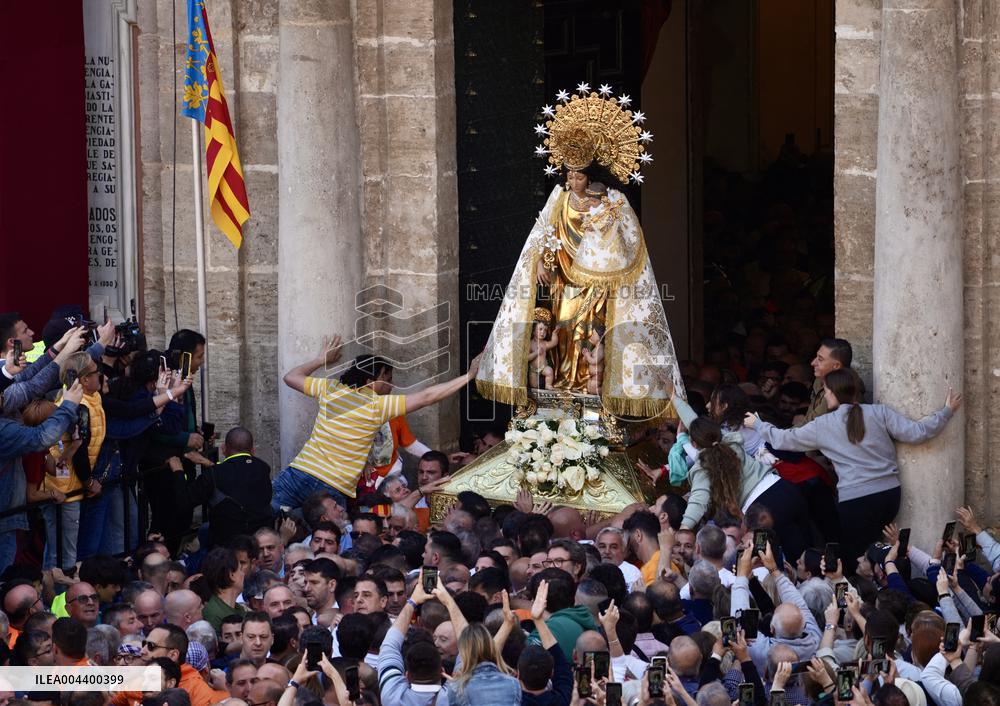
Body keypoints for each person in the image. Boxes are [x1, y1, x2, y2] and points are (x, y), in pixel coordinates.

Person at [475, 88, 684, 417]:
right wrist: (540, 262)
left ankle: (587, 385)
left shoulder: (611, 201)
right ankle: (562, 383)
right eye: (569, 174)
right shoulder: (559, 197)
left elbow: (628, 241)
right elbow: (542, 232)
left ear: (592, 175)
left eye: (579, 175)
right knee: (563, 329)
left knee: (589, 333)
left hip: (596, 284)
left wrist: (605, 232)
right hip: (563, 279)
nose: (573, 181)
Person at [747, 368, 962, 569]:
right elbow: (918, 432)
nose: (825, 395)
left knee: (855, 559)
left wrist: (758, 424)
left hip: (857, 501)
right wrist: (946, 412)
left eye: (826, 391)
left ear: (833, 392)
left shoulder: (824, 424)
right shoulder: (879, 412)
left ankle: (866, 594)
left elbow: (784, 439)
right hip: (890, 496)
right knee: (878, 552)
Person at [271, 334, 481, 512]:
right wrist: (469, 375)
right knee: (330, 540)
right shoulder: (378, 405)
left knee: (264, 519)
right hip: (332, 487)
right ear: (370, 382)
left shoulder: (330, 389)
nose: (391, 385)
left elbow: (291, 377)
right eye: (386, 379)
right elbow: (428, 397)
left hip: (298, 473)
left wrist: (321, 360)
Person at [667, 394, 813, 561]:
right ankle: (833, 576)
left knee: (796, 562)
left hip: (763, 513)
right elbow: (696, 424)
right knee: (813, 551)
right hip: (786, 489)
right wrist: (674, 397)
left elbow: (697, 502)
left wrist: (683, 529)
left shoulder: (703, 469)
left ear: (694, 444)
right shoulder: (728, 441)